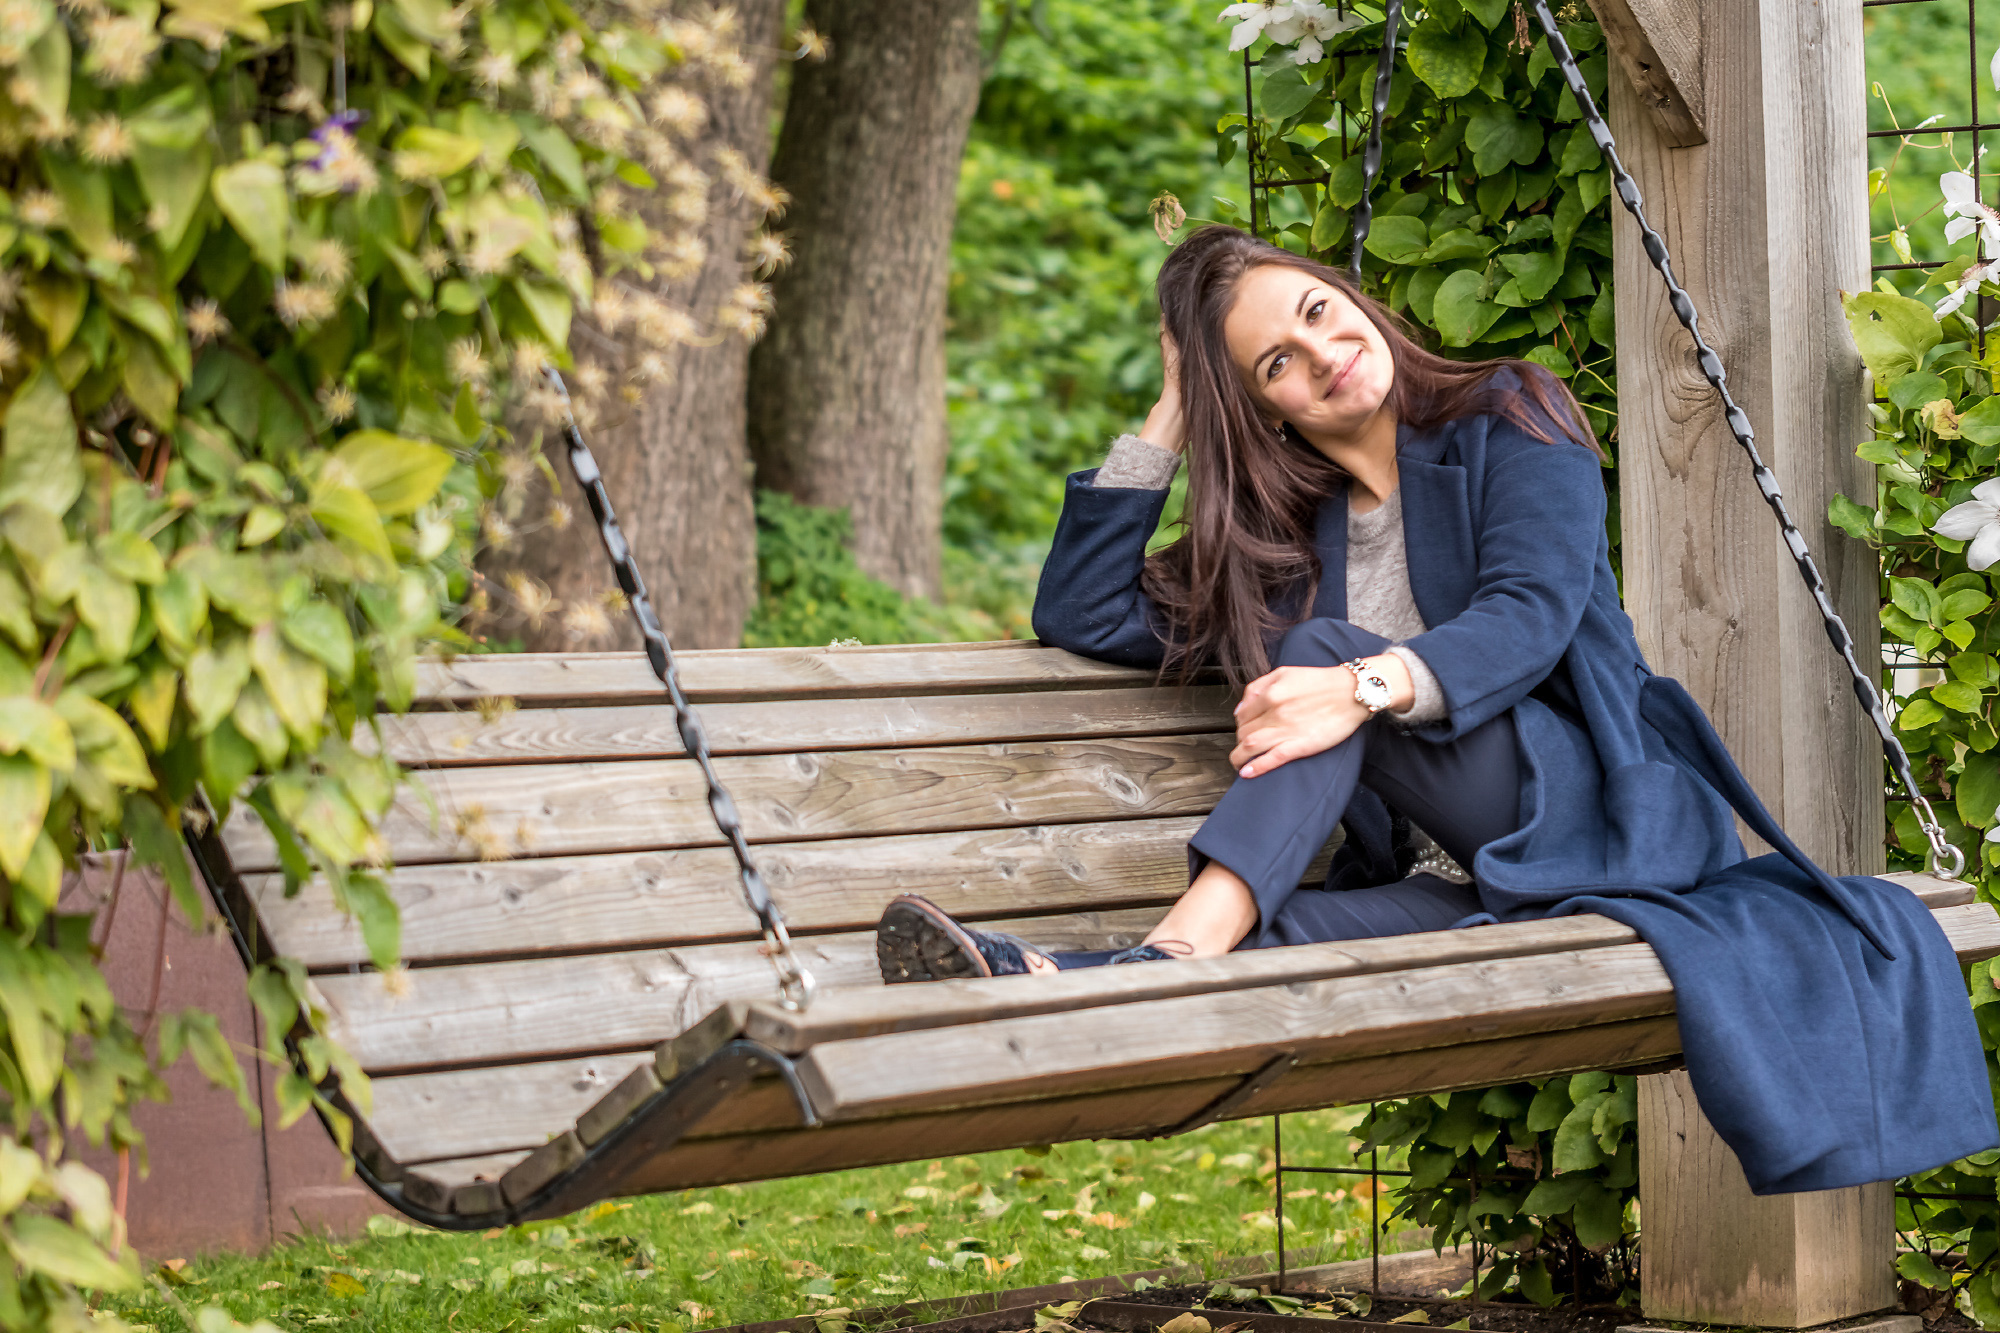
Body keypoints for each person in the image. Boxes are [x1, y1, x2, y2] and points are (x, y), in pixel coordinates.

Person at [875, 220, 1676, 982]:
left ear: (1349, 297)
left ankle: (1168, 951)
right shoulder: (1280, 549)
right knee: (1257, 935)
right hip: (1467, 892)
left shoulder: (1508, 417)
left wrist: (1358, 687)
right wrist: (1173, 413)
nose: (1324, 354)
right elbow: (1081, 612)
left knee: (1322, 656)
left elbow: (1528, 613)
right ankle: (1050, 979)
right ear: (1260, 408)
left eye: (1319, 311)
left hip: (1575, 828)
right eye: (1276, 363)